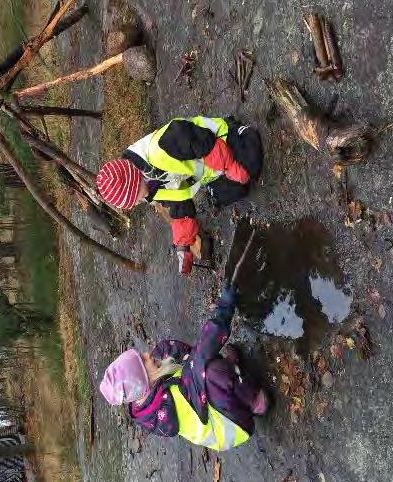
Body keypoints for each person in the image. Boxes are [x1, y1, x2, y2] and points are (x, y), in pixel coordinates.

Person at [98, 283, 268, 450]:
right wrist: (224, 309)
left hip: (207, 404)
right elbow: (200, 357)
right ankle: (253, 402)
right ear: (142, 383)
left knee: (187, 360)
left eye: (141, 355)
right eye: (143, 362)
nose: (147, 355)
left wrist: (173, 354)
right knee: (210, 371)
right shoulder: (174, 399)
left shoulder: (143, 398)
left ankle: (230, 371)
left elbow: (172, 352)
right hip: (230, 426)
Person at [95, 116, 262, 274]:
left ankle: (240, 131)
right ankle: (225, 174)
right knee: (232, 193)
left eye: (134, 197)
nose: (138, 202)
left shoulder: (163, 145)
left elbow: (204, 143)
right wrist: (183, 244)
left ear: (134, 178)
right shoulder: (147, 186)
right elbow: (178, 201)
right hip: (209, 170)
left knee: (250, 165)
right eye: (133, 202)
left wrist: (231, 166)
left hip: (219, 140)